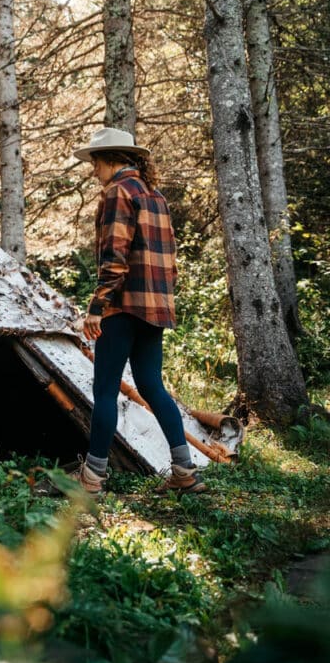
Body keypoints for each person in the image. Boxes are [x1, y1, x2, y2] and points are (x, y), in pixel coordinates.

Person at [69, 127, 205, 496]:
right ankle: (184, 472)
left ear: (108, 159)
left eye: (94, 162)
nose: (93, 170)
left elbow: (115, 256)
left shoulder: (117, 193)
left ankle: (91, 480)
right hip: (155, 306)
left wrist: (97, 308)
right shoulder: (155, 196)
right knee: (152, 385)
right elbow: (169, 259)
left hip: (124, 305)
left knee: (105, 391)